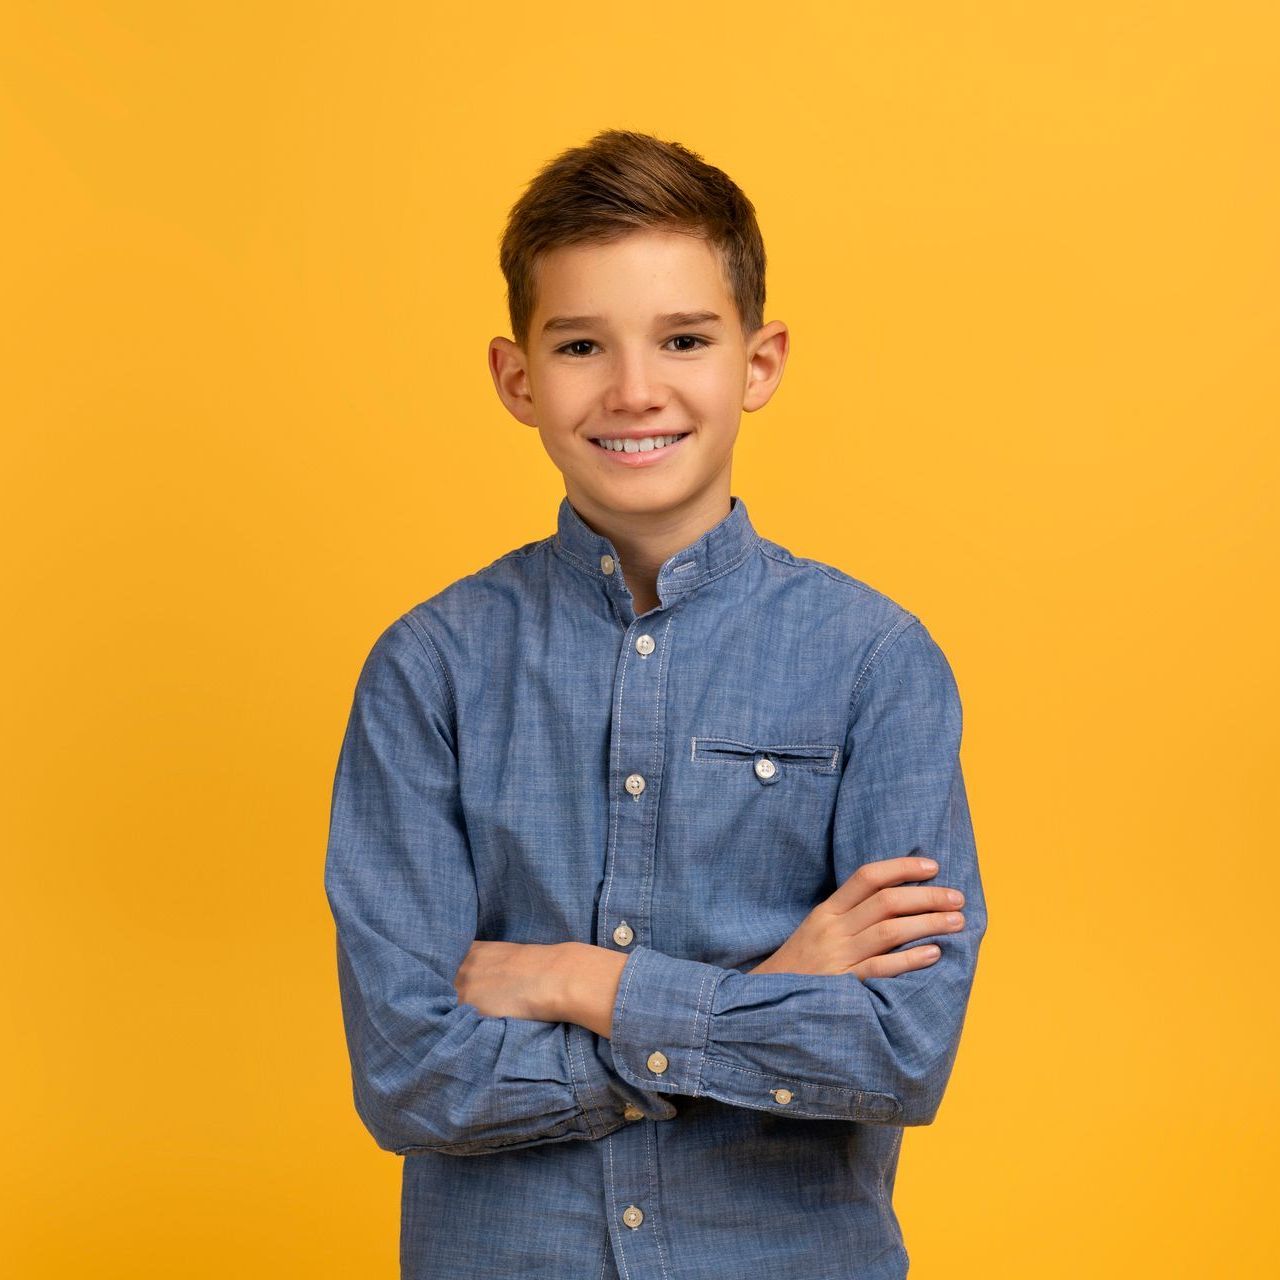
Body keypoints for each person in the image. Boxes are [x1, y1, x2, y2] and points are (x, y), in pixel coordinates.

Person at [324, 128, 988, 1280]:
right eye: (581, 344)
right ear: (517, 377)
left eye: (682, 339)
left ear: (758, 361)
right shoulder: (425, 670)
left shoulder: (873, 661)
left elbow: (895, 1052)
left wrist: (585, 983)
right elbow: (410, 1076)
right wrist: (764, 998)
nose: (635, 389)